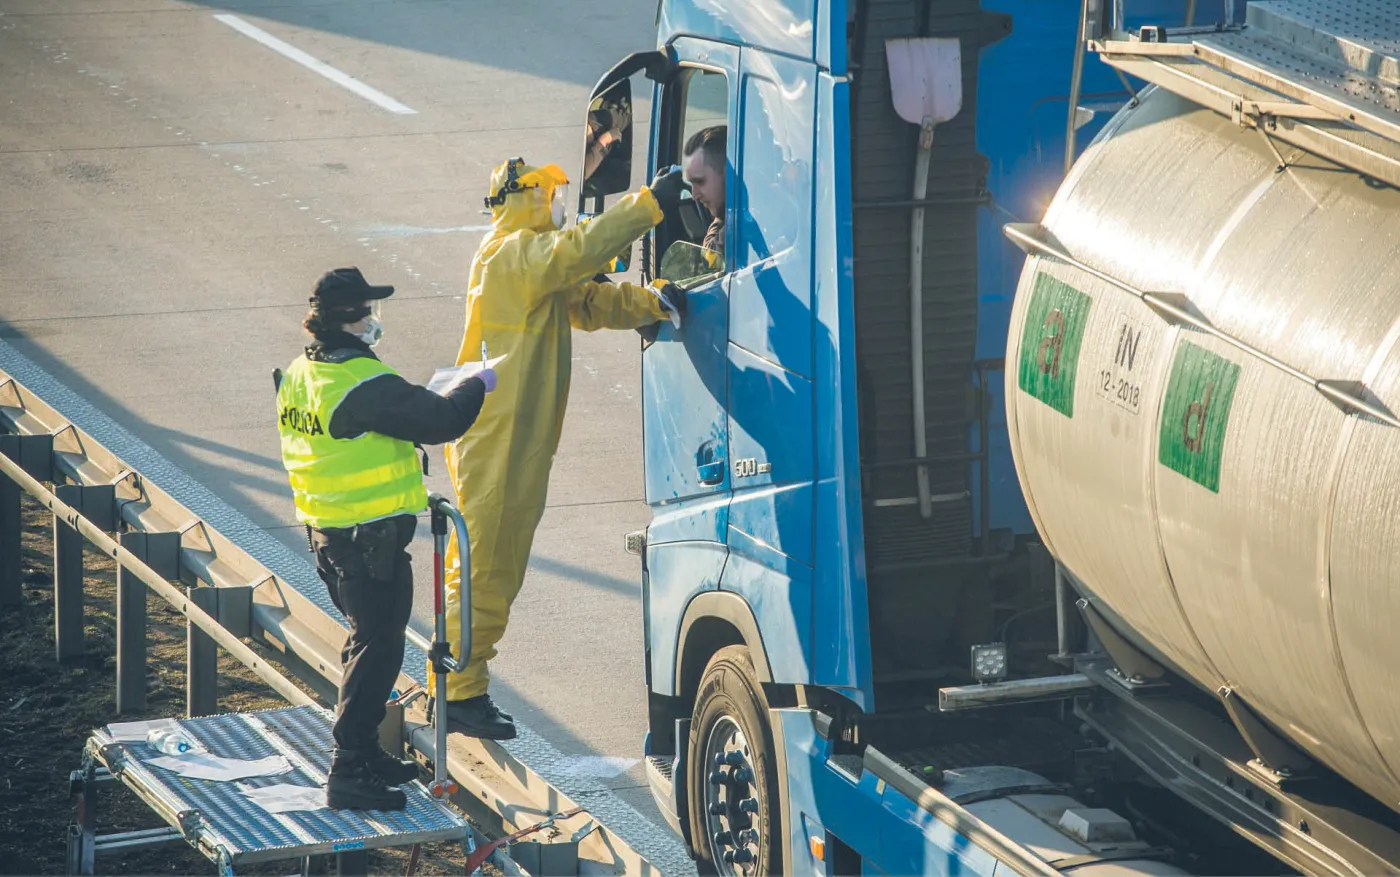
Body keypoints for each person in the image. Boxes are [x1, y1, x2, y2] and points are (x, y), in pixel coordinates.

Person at [436, 158, 687, 739]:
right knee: (486, 568)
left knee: (495, 566)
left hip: (513, 437)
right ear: (525, 197)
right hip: (496, 438)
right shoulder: (510, 256)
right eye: (550, 195)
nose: (558, 205)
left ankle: (459, 683)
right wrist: (651, 202)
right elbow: (574, 254)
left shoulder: (532, 262)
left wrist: (656, 302)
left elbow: (591, 303)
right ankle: (457, 692)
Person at [276, 267, 497, 811]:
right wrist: (478, 383)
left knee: (367, 643)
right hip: (366, 543)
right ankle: (349, 768)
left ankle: (366, 749)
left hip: (332, 533)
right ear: (353, 319)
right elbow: (441, 420)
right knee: (377, 651)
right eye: (369, 311)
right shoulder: (359, 381)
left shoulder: (308, 370)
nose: (375, 321)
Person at [682, 125, 727, 258]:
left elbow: (712, 259)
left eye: (700, 182)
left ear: (728, 174)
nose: (695, 195)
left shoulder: (735, 231)